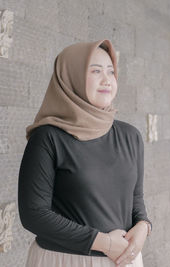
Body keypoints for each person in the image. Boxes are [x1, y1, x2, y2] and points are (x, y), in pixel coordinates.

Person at [18, 40, 151, 267]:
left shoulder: (131, 136)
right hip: (64, 260)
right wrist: (103, 242)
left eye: (111, 71)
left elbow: (135, 198)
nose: (107, 79)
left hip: (124, 259)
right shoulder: (48, 138)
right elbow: (34, 214)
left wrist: (143, 226)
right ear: (71, 77)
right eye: (96, 71)